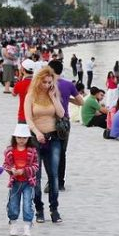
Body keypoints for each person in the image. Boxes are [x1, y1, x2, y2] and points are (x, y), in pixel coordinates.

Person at [24, 66, 66, 224]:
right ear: (38, 80)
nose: (47, 85)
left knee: (54, 175)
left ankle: (54, 209)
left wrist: (53, 96)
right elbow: (28, 119)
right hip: (35, 138)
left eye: (50, 82)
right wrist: (37, 132)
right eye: (45, 82)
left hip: (53, 137)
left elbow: (61, 114)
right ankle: (39, 209)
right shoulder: (31, 96)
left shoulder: (52, 93)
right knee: (36, 176)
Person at [47, 60, 83, 192]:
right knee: (62, 152)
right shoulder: (68, 84)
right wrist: (68, 99)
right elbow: (81, 102)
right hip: (64, 121)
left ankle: (51, 180)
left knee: (48, 151)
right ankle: (60, 183)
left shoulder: (46, 84)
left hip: (48, 119)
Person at [4, 123, 39, 236]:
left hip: (28, 182)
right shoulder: (9, 151)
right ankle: (13, 223)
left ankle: (27, 226)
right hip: (15, 182)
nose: (21, 140)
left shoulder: (32, 151)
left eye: (24, 138)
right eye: (19, 137)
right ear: (14, 138)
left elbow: (36, 166)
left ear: (28, 138)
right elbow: (6, 165)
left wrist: (25, 171)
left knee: (28, 204)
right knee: (13, 203)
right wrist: (11, 170)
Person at [12, 59, 35, 123]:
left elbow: (13, 93)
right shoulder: (38, 83)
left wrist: (19, 77)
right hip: (36, 116)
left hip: (23, 116)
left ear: (23, 70)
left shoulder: (20, 84)